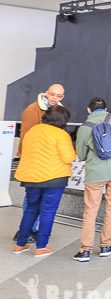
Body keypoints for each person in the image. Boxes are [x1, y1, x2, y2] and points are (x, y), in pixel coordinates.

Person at [73, 97, 111, 262]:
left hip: (95, 173)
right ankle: (106, 246)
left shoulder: (84, 128)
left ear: (89, 110)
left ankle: (85, 250)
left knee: (90, 211)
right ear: (106, 108)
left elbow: (80, 155)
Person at [12, 105, 76, 257]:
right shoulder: (61, 134)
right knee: (48, 211)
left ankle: (20, 244)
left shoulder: (32, 131)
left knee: (30, 210)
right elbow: (69, 157)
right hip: (54, 178)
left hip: (31, 177)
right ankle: (41, 247)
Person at [13, 83, 66, 244]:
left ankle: (31, 230)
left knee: (37, 200)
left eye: (59, 96)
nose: (55, 98)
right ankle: (28, 230)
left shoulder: (58, 110)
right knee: (32, 201)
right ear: (45, 93)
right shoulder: (32, 110)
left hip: (48, 162)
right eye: (52, 94)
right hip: (34, 161)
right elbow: (27, 138)